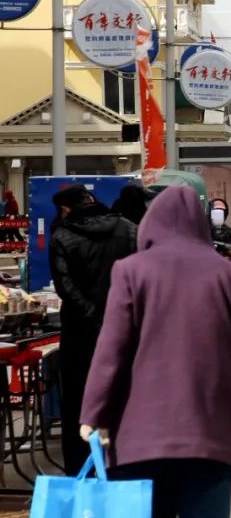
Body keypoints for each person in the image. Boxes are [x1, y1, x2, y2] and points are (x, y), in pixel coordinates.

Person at [79, 186, 231, 518]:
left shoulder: (130, 272)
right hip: (212, 438)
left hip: (141, 439)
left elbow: (112, 349)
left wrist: (96, 414)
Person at [49, 184, 137, 476]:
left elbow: (65, 286)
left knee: (79, 401)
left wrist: (92, 315)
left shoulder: (63, 236)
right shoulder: (128, 229)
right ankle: (123, 466)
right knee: (124, 397)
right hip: (125, 328)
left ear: (65, 209)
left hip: (80, 333)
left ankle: (82, 471)